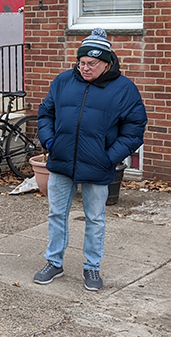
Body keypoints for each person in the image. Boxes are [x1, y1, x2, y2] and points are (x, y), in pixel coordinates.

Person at [33, 28, 146, 292]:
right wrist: (50, 142)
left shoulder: (124, 89)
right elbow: (45, 114)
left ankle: (92, 267)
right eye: (81, 63)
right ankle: (54, 262)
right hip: (62, 161)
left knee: (95, 219)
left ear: (106, 63)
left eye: (91, 64)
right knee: (56, 214)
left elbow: (135, 129)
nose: (85, 68)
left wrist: (110, 157)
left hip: (98, 164)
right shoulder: (63, 81)